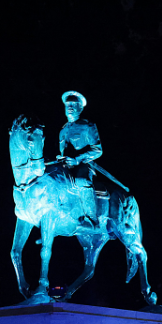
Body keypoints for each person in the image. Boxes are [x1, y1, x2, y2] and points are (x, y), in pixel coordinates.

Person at [58, 90, 102, 226]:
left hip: (84, 165)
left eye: (74, 104)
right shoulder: (63, 130)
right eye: (68, 104)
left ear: (80, 108)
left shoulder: (87, 126)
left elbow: (97, 150)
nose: (70, 106)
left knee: (81, 180)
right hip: (66, 166)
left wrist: (77, 159)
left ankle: (91, 218)